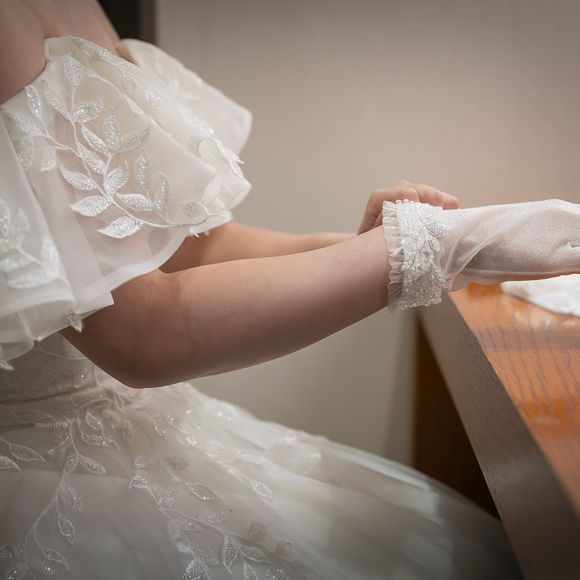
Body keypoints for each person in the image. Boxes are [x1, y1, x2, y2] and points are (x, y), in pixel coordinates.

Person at [1, 1, 578, 578]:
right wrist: (435, 246)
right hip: (50, 475)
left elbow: (188, 249)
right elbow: (143, 332)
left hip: (148, 428)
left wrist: (363, 250)